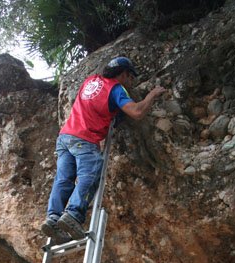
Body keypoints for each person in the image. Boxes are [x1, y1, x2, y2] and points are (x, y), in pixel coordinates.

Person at [41, 56, 166, 243]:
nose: (131, 81)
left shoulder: (90, 81)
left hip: (65, 136)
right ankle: (73, 214)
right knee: (90, 174)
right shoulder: (116, 89)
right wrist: (152, 95)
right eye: (131, 77)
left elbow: (94, 105)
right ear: (123, 74)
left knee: (63, 178)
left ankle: (53, 217)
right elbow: (137, 112)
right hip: (84, 137)